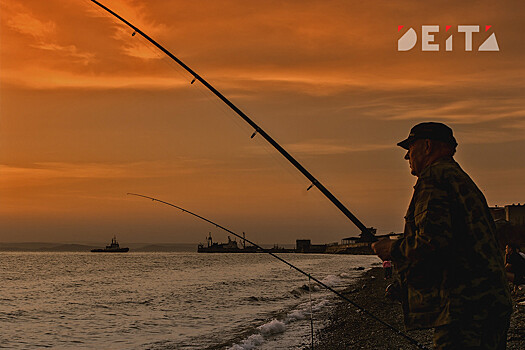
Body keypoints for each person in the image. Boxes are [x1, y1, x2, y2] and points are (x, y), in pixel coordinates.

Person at [372, 122, 512, 349]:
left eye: (410, 147)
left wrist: (392, 249)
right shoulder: (459, 179)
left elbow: (433, 242)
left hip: (464, 307)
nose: (407, 156)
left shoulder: (434, 179)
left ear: (427, 146)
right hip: (490, 302)